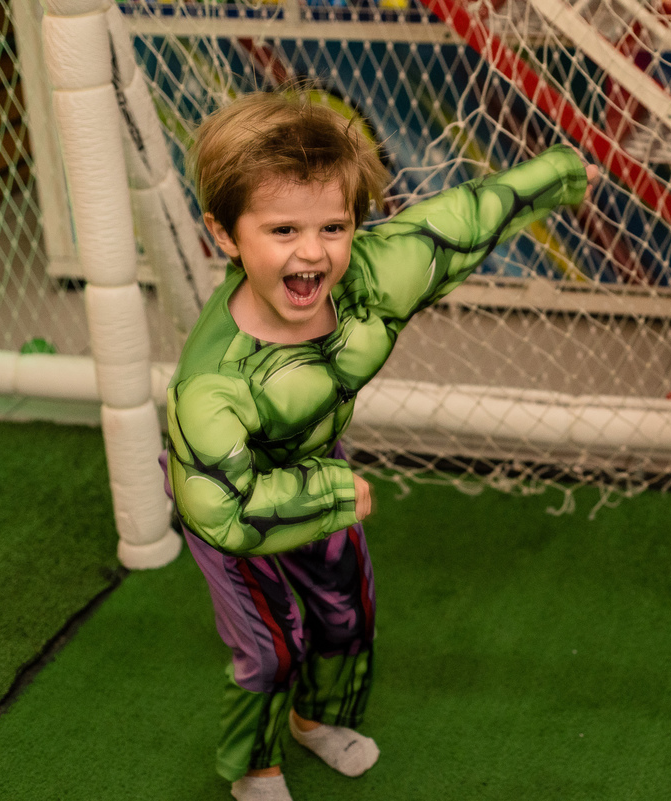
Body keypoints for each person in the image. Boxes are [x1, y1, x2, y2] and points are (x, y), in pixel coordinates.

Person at [162, 91, 597, 801]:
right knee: (272, 648)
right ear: (226, 234)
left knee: (348, 615)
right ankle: (255, 768)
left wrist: (558, 174)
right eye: (282, 229)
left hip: (313, 468)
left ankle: (318, 718)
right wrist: (333, 493)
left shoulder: (364, 277)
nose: (312, 251)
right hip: (228, 489)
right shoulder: (211, 388)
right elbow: (223, 511)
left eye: (333, 226)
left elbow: (456, 224)